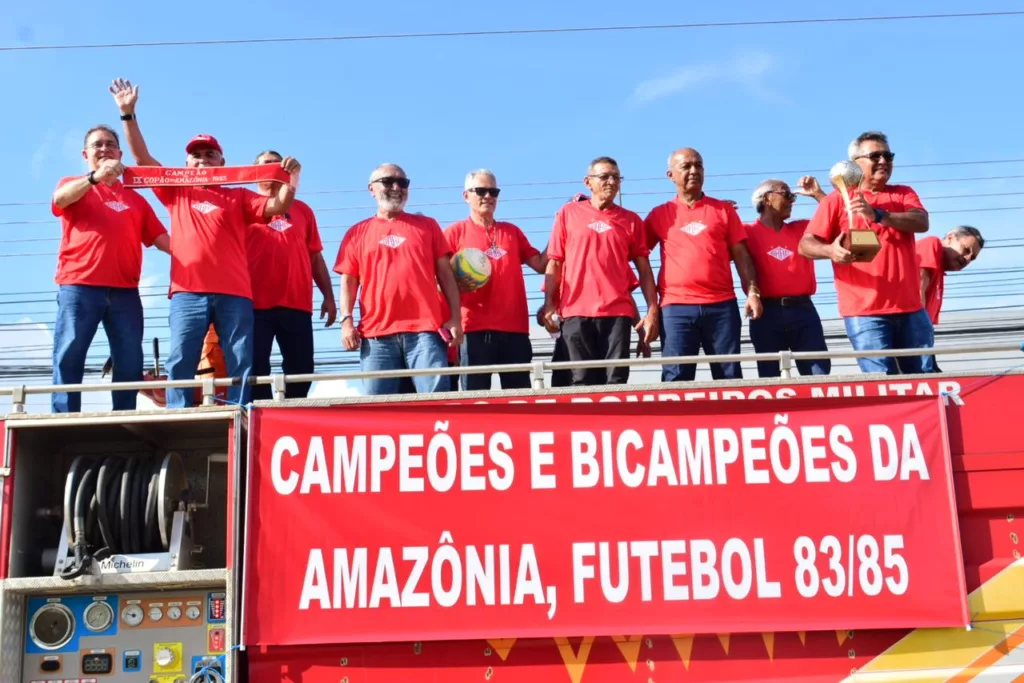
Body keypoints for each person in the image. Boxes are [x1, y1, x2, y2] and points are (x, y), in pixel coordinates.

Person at [110, 78, 301, 407]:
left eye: (210, 155)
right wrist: (128, 114)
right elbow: (142, 160)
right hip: (187, 292)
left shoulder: (238, 196)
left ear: (222, 163)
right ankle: (178, 414)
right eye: (195, 156)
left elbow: (278, 207)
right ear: (185, 164)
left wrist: (291, 179)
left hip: (235, 294)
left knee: (241, 360)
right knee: (181, 359)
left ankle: (242, 411)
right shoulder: (176, 191)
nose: (202, 160)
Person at [50, 124, 170, 413]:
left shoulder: (136, 199)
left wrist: (204, 254)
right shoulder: (74, 183)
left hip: (125, 292)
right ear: (85, 154)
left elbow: (161, 239)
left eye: (110, 145)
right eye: (97, 145)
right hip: (79, 285)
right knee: (70, 354)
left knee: (129, 359)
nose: (104, 149)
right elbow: (59, 200)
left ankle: (124, 416)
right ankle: (64, 420)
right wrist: (93, 179)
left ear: (120, 153)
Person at [800, 131, 932, 374]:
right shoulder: (836, 200)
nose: (883, 161)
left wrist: (879, 215)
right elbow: (806, 244)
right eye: (875, 155)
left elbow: (922, 221)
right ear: (855, 163)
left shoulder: (902, 193)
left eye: (888, 155)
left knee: (924, 380)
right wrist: (831, 250)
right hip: (865, 313)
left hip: (912, 309)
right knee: (881, 383)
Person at [335, 163, 462, 395]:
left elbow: (446, 275)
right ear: (371, 189)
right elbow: (348, 282)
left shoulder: (428, 226)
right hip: (376, 336)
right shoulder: (356, 232)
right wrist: (346, 323)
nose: (396, 187)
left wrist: (455, 318)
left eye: (403, 183)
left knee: (437, 405)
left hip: (426, 332)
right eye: (388, 181)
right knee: (379, 412)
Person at [644, 148, 762, 383]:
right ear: (670, 175)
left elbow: (741, 255)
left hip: (721, 307)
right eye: (686, 166)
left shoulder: (723, 210)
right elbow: (638, 256)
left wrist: (752, 292)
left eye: (698, 165)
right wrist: (650, 308)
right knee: (675, 378)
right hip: (675, 308)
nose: (693, 171)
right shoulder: (659, 214)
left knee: (729, 377)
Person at [540, 157, 659, 386]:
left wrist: (652, 311)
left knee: (616, 381)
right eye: (604, 176)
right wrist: (549, 305)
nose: (611, 182)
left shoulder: (631, 220)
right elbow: (554, 263)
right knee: (581, 382)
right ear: (588, 182)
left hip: (617, 316)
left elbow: (644, 270)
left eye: (616, 177)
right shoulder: (567, 214)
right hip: (575, 313)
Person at [247, 150, 337, 400]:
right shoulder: (244, 205)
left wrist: (329, 296)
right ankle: (261, 415)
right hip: (254, 304)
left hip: (296, 304)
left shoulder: (303, 210)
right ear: (254, 171)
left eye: (277, 163)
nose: (272, 167)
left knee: (302, 368)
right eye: (266, 164)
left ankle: (293, 414)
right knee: (254, 368)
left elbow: (315, 257)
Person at [445, 169, 545, 391]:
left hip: (515, 330)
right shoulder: (453, 233)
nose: (488, 196)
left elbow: (540, 264)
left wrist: (560, 231)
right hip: (473, 328)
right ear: (466, 196)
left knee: (519, 399)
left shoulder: (512, 232)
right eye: (481, 191)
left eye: (493, 191)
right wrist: (456, 283)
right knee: (475, 399)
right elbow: (438, 279)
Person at [745, 177, 830, 377]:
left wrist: (818, 194)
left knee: (818, 374)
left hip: (803, 310)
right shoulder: (746, 232)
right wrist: (722, 213)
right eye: (786, 194)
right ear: (766, 199)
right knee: (769, 376)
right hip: (765, 312)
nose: (792, 199)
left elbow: (838, 219)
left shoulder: (802, 229)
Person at [917, 226, 985, 372]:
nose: (967, 259)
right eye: (966, 250)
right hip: (913, 334)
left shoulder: (939, 275)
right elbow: (917, 292)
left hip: (921, 339)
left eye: (972, 258)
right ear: (950, 237)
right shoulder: (931, 244)